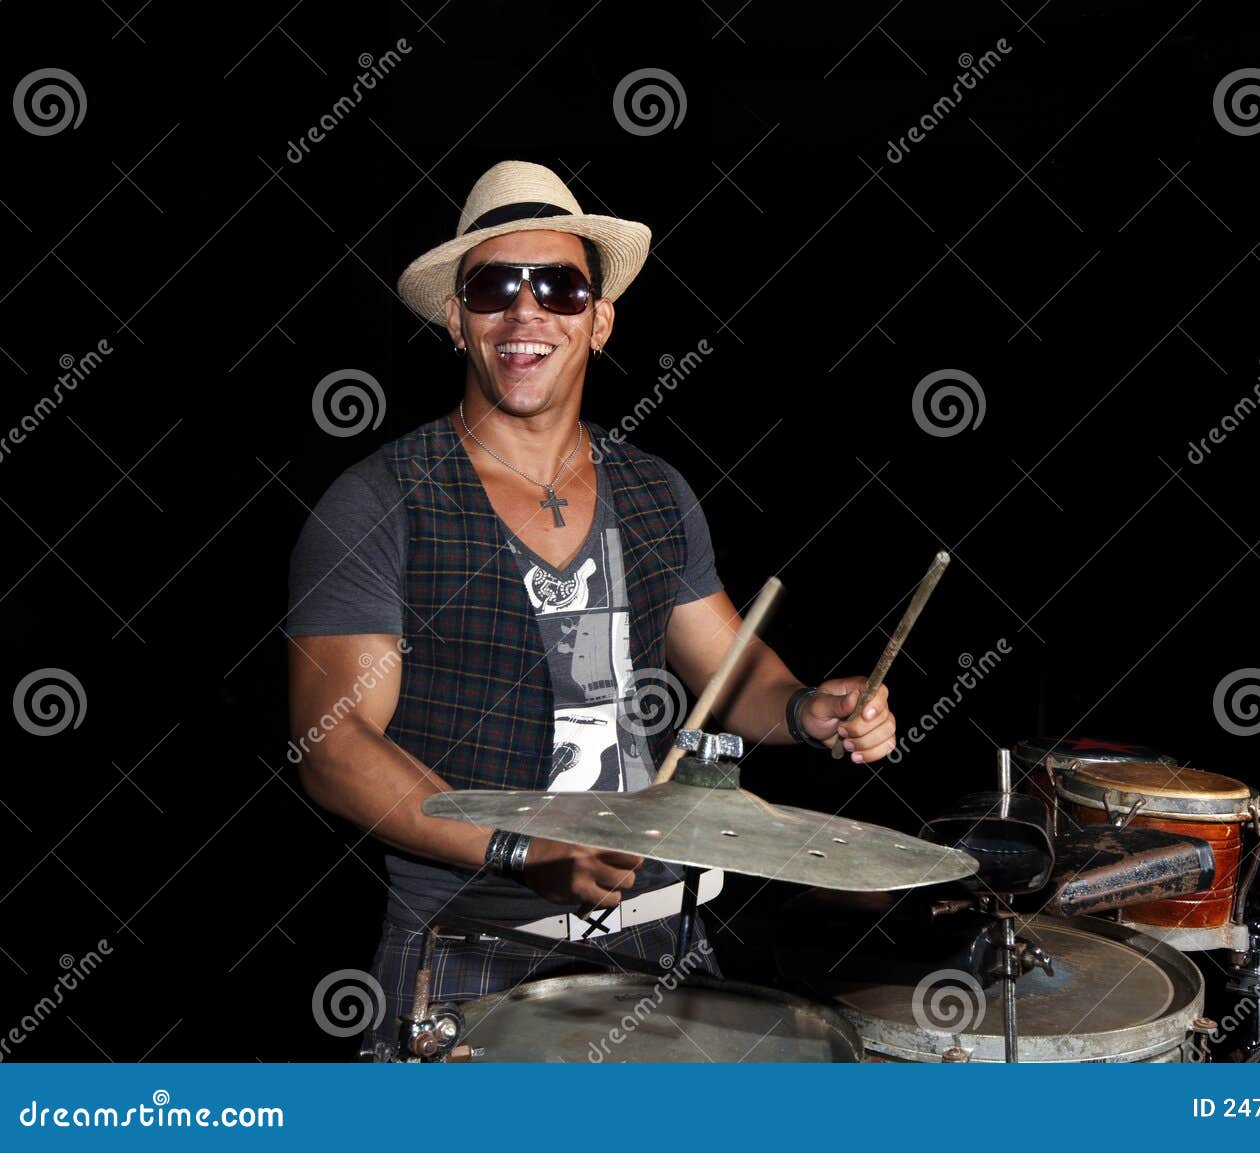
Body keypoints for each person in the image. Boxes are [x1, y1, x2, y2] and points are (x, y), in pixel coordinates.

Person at [285, 161, 896, 1052]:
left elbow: (733, 672)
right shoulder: (382, 500)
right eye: (494, 286)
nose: (526, 311)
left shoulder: (654, 491)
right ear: (457, 320)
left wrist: (808, 708)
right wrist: (525, 850)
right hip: (472, 949)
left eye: (561, 287)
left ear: (599, 321)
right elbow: (331, 748)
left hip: (658, 938)